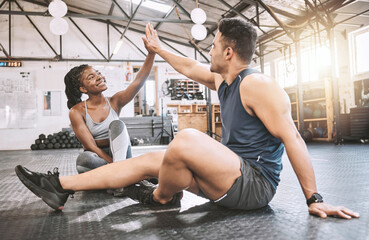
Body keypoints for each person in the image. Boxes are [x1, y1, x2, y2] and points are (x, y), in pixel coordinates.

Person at [15, 19, 359, 219]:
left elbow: (294, 139)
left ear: (228, 52)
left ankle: (162, 197)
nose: (207, 52)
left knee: (185, 141)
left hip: (254, 187)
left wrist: (315, 200)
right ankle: (59, 187)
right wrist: (158, 48)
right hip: (228, 178)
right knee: (152, 159)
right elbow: (190, 67)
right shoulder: (224, 80)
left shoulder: (258, 85)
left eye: (213, 46)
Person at [64, 49, 155, 173]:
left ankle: (117, 177)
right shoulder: (76, 111)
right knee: (83, 160)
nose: (99, 77)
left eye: (98, 73)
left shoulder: (115, 101)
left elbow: (138, 82)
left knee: (117, 125)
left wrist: (151, 54)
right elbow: (91, 146)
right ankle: (122, 175)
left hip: (121, 155)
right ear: (83, 88)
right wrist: (114, 165)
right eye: (91, 77)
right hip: (101, 158)